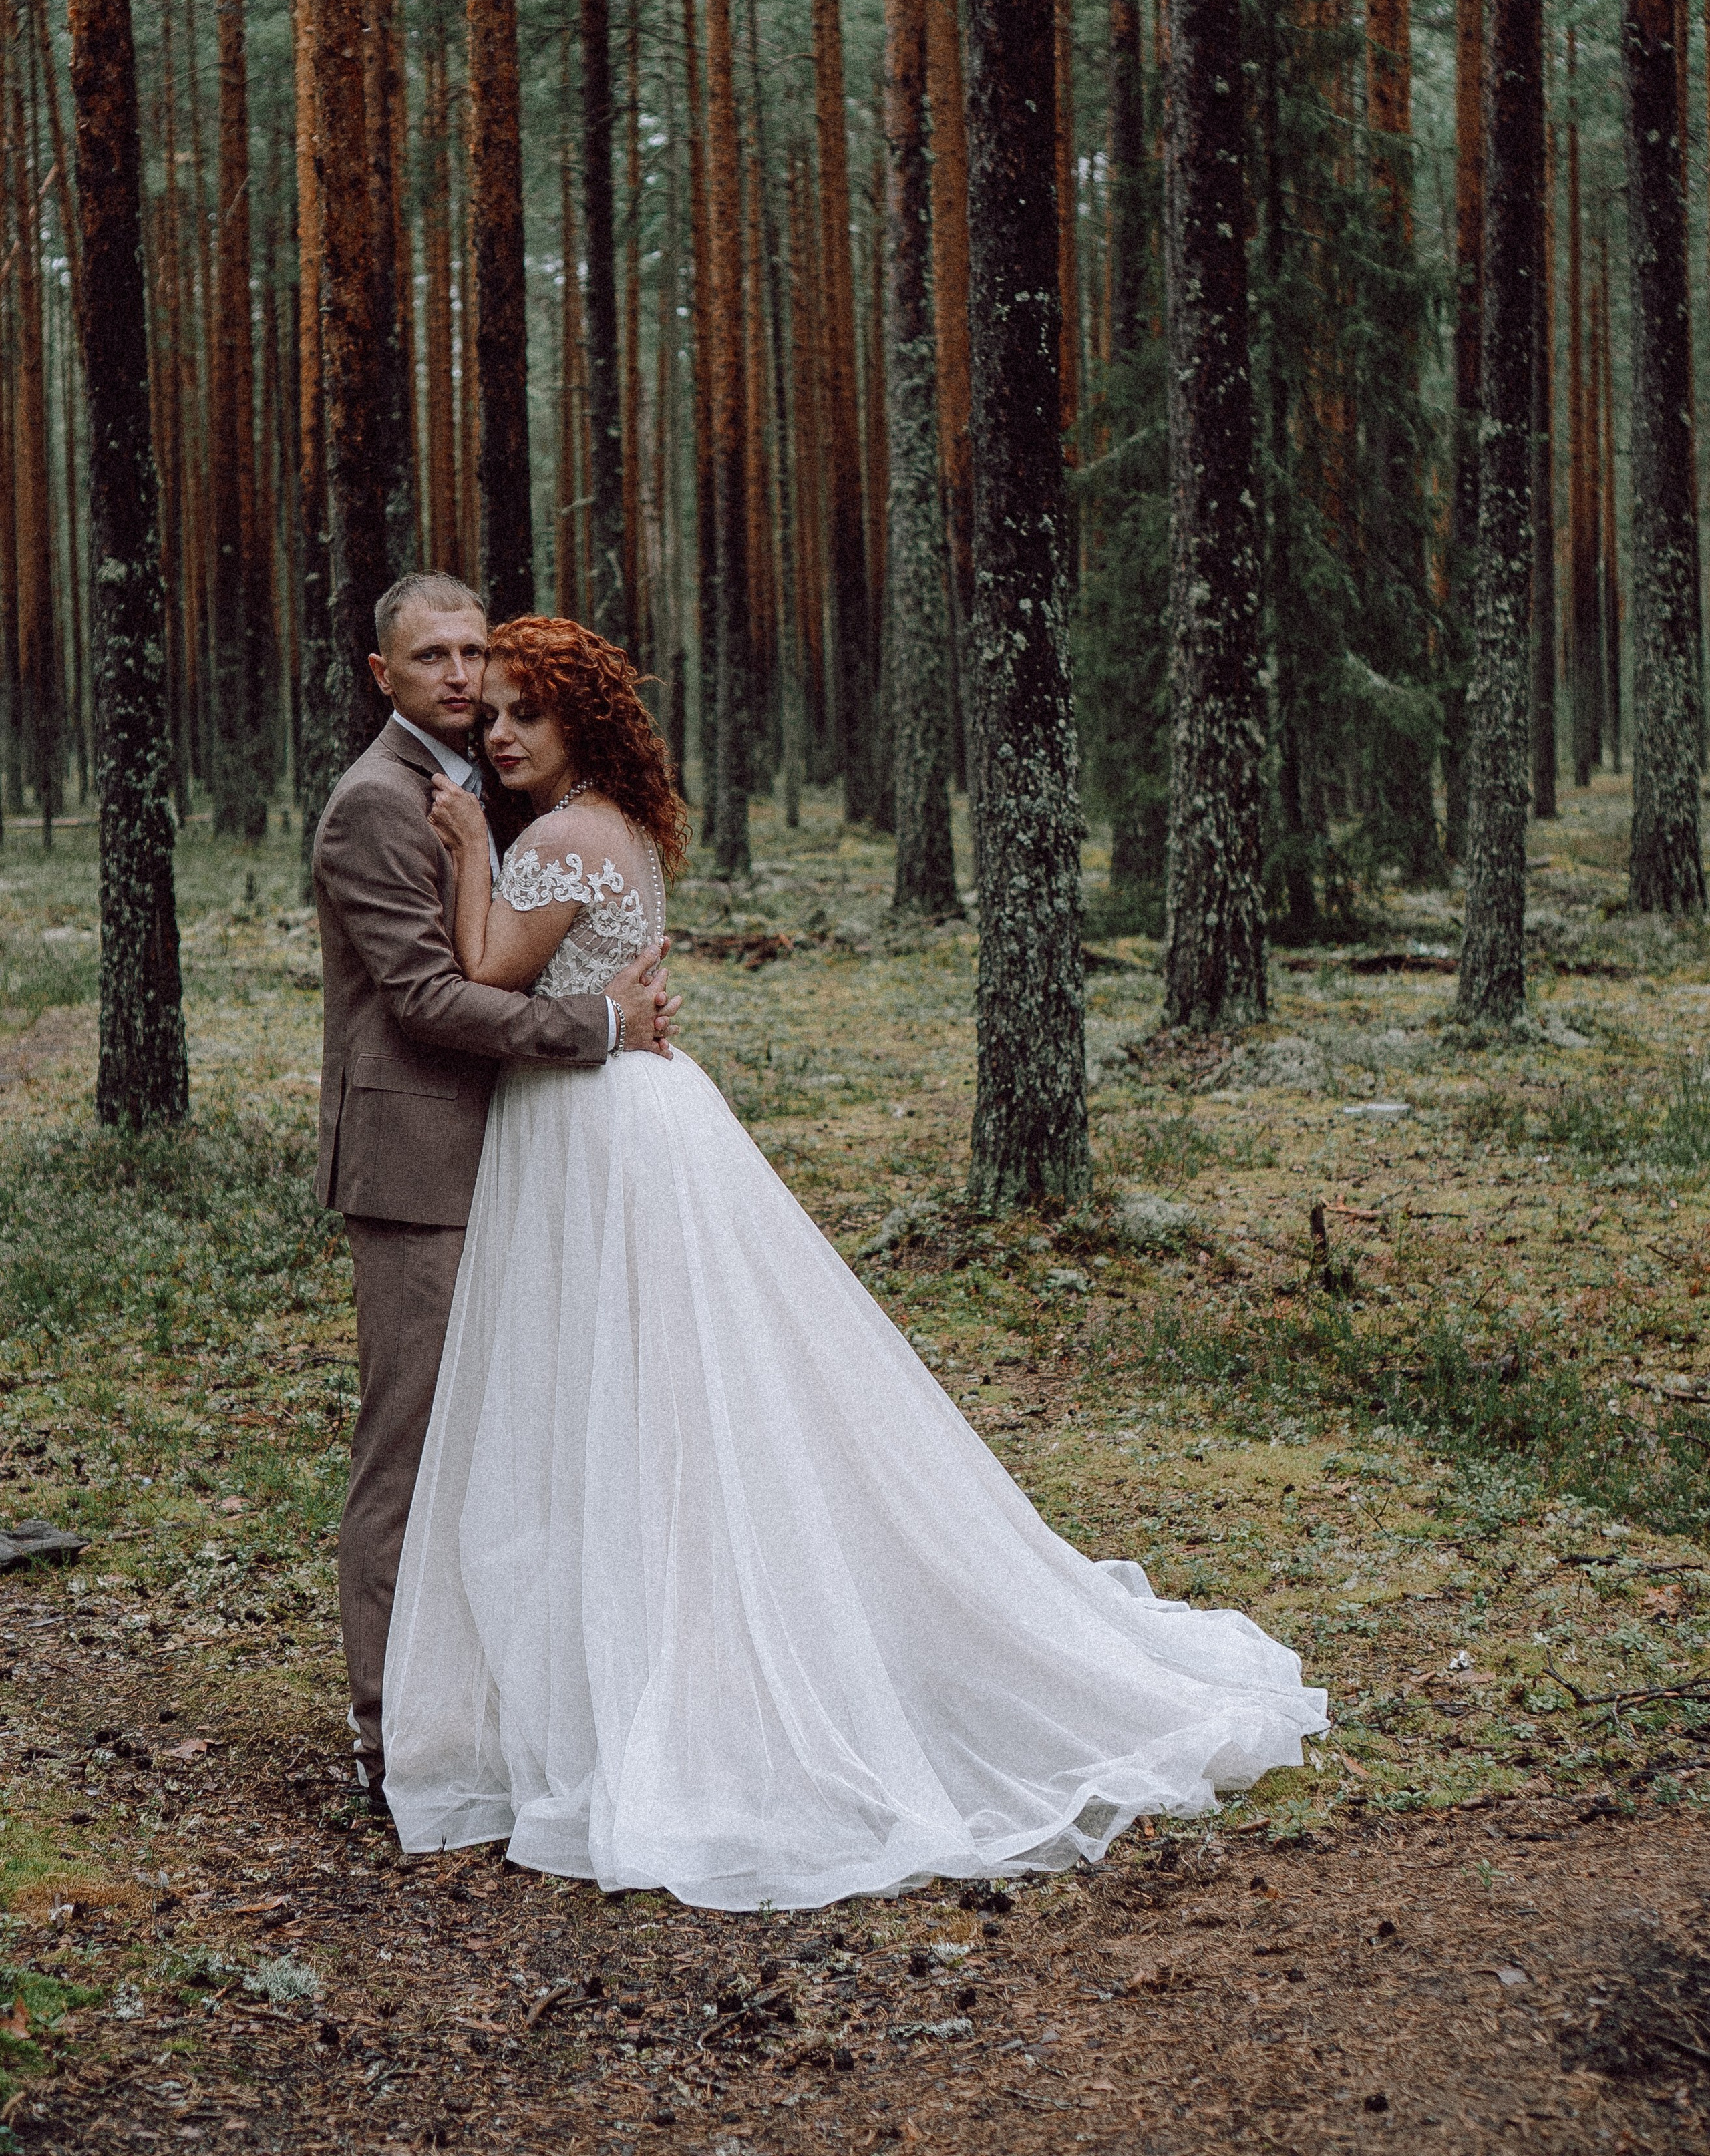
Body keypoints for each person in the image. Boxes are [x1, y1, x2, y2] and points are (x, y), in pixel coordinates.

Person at [382, 613, 1326, 1912]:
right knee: (649, 1397)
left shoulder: (550, 839)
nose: (496, 735)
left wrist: (459, 847)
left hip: (596, 1129)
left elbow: (486, 969)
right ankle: (641, 1659)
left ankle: (669, 1678)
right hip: (620, 1113)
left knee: (628, 1400)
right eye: (487, 717)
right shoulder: (619, 828)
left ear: (580, 724)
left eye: (523, 715)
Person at [313, 573, 679, 1812]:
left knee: (526, 1445)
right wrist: (600, 1024)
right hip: (422, 1172)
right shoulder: (375, 805)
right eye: (433, 658)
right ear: (386, 675)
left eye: (475, 652)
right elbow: (423, 998)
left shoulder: (497, 788)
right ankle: (392, 1742)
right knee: (411, 1457)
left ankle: (504, 1710)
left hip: (534, 1157)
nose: (461, 677)